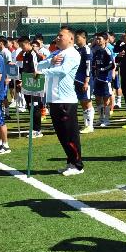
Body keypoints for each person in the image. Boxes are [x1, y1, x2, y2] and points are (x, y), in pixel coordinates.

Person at [37, 27, 83, 176]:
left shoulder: (73, 54)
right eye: (57, 35)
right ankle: (70, 162)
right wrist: (50, 62)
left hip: (66, 100)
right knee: (61, 134)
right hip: (54, 99)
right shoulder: (56, 53)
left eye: (61, 35)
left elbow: (63, 70)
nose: (57, 38)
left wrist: (44, 71)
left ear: (71, 38)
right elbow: (40, 65)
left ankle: (77, 165)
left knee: (70, 134)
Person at [17, 36, 44, 138]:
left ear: (28, 43)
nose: (21, 47)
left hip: (35, 83)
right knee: (30, 106)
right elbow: (25, 70)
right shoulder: (25, 54)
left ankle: (37, 130)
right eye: (20, 46)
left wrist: (24, 82)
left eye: (22, 45)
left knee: (35, 106)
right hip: (27, 83)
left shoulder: (33, 54)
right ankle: (33, 128)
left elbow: (35, 71)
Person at [91, 32, 115, 127]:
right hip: (97, 79)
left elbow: (111, 65)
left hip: (105, 79)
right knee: (97, 99)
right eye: (96, 39)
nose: (97, 41)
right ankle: (101, 118)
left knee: (106, 100)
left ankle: (107, 119)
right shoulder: (96, 51)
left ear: (105, 40)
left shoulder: (107, 51)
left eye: (99, 39)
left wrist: (102, 69)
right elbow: (93, 64)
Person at [74, 30, 95, 134]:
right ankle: (86, 124)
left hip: (84, 81)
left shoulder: (87, 50)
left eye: (77, 38)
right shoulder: (78, 50)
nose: (76, 39)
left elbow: (88, 67)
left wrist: (86, 81)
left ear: (84, 38)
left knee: (87, 101)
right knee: (83, 102)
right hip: (77, 79)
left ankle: (90, 126)